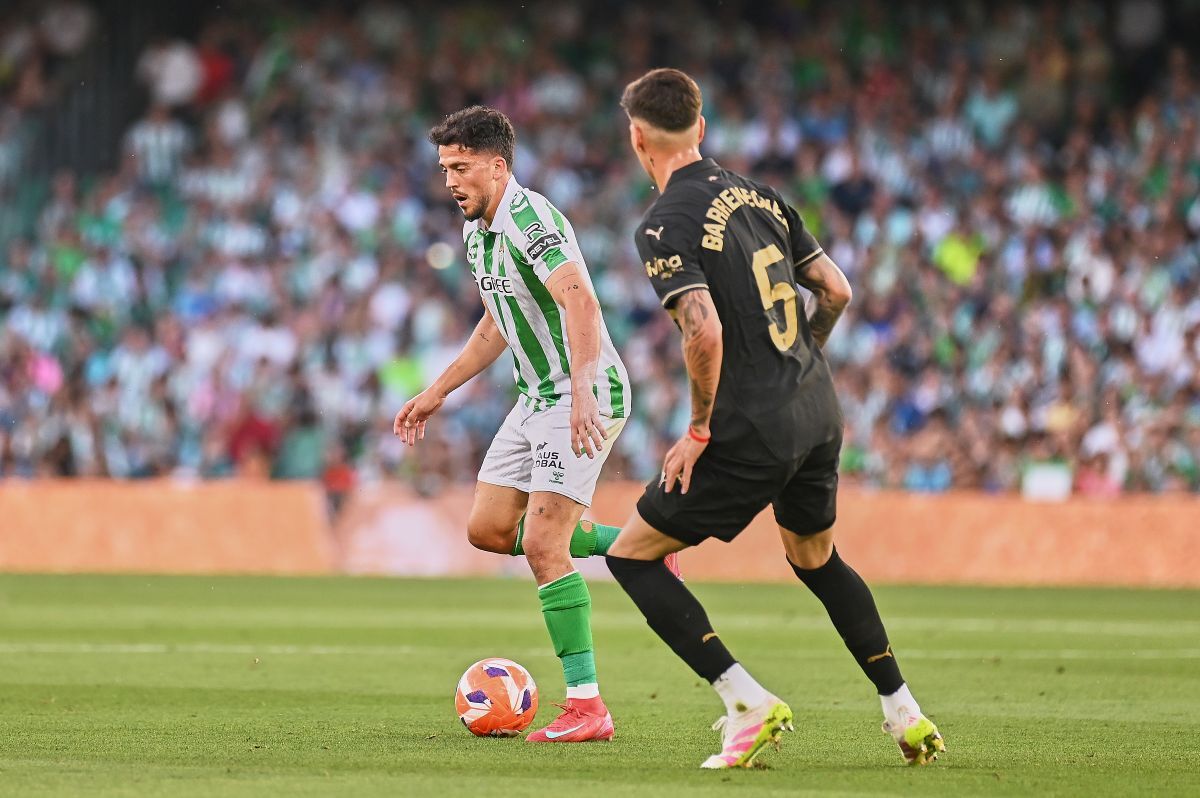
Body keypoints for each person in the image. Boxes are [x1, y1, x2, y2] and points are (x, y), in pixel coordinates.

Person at [604, 69, 945, 769]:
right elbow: (836, 289)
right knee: (816, 558)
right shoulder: (761, 195)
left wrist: (699, 429)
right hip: (817, 409)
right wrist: (800, 361)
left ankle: (744, 700)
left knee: (631, 556)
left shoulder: (663, 222)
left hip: (751, 426)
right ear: (699, 128)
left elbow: (701, 332)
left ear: (637, 137)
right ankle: (903, 710)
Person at [394, 106, 637, 742]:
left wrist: (583, 388)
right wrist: (436, 391)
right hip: (535, 396)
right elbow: (497, 323)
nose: (451, 180)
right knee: (489, 529)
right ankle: (640, 548)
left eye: (463, 167)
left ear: (498, 167)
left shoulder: (532, 221)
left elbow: (578, 298)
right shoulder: (477, 231)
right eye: (445, 167)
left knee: (543, 545)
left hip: (581, 392)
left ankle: (588, 705)